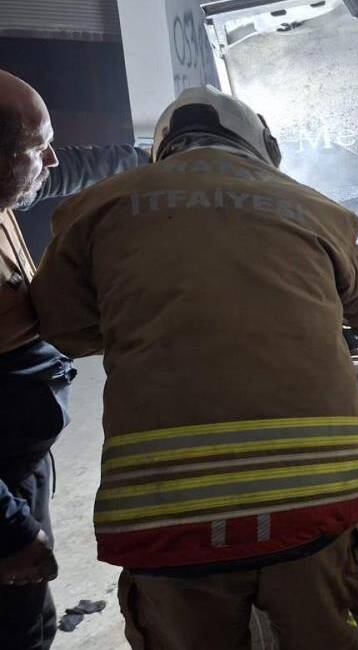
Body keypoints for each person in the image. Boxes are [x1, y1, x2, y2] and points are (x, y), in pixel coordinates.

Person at [30, 86, 358, 650]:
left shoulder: (97, 206)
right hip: (313, 497)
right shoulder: (317, 206)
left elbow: (62, 327)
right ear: (260, 144)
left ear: (162, 146)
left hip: (168, 512)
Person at [0, 69, 149, 650]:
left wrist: (150, 156)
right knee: (19, 627)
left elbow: (76, 167)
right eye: (39, 149)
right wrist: (10, 530)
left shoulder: (7, 189)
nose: (54, 161)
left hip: (19, 458)